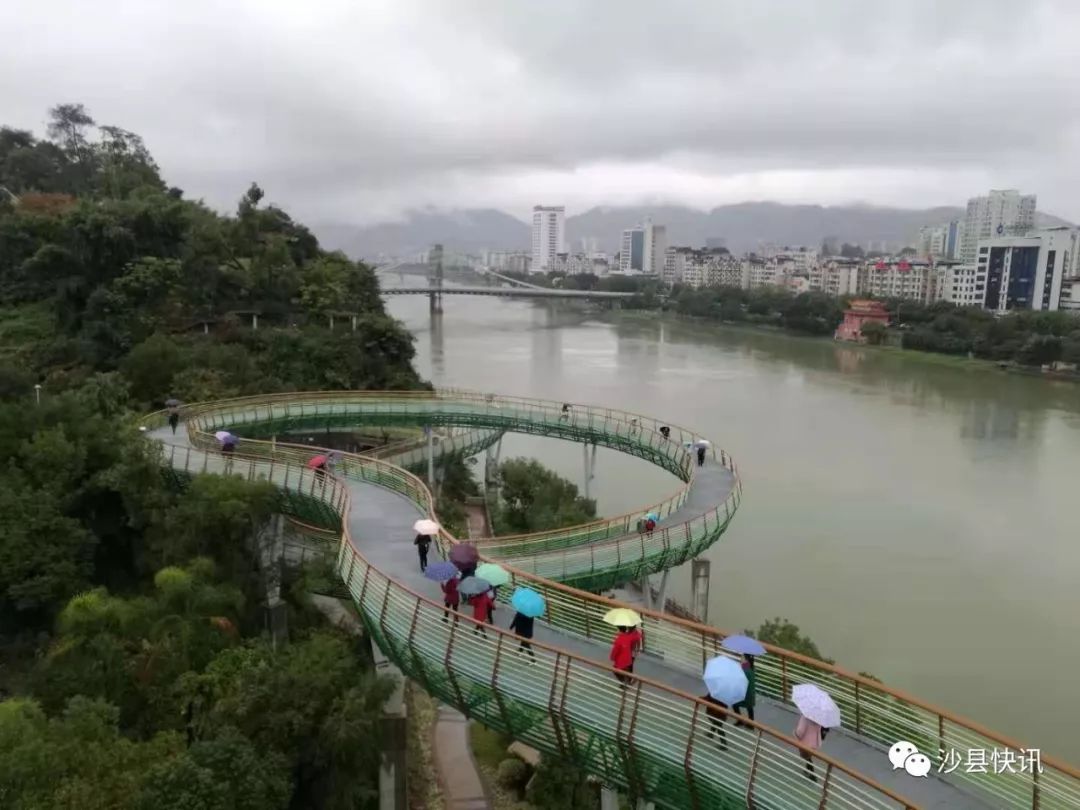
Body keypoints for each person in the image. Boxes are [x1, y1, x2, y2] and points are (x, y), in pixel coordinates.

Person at [794, 714, 829, 782]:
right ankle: (808, 769)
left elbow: (800, 731)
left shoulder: (805, 717)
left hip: (805, 742)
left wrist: (796, 735)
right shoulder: (820, 717)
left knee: (807, 757)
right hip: (814, 743)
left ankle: (812, 774)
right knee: (808, 757)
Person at [732, 654, 756, 727]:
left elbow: (740, 680)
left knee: (735, 704)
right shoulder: (750, 667)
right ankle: (751, 723)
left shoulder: (745, 670)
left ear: (746, 659)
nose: (740, 658)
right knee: (749, 707)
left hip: (745, 692)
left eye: (742, 657)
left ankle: (740, 720)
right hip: (750, 692)